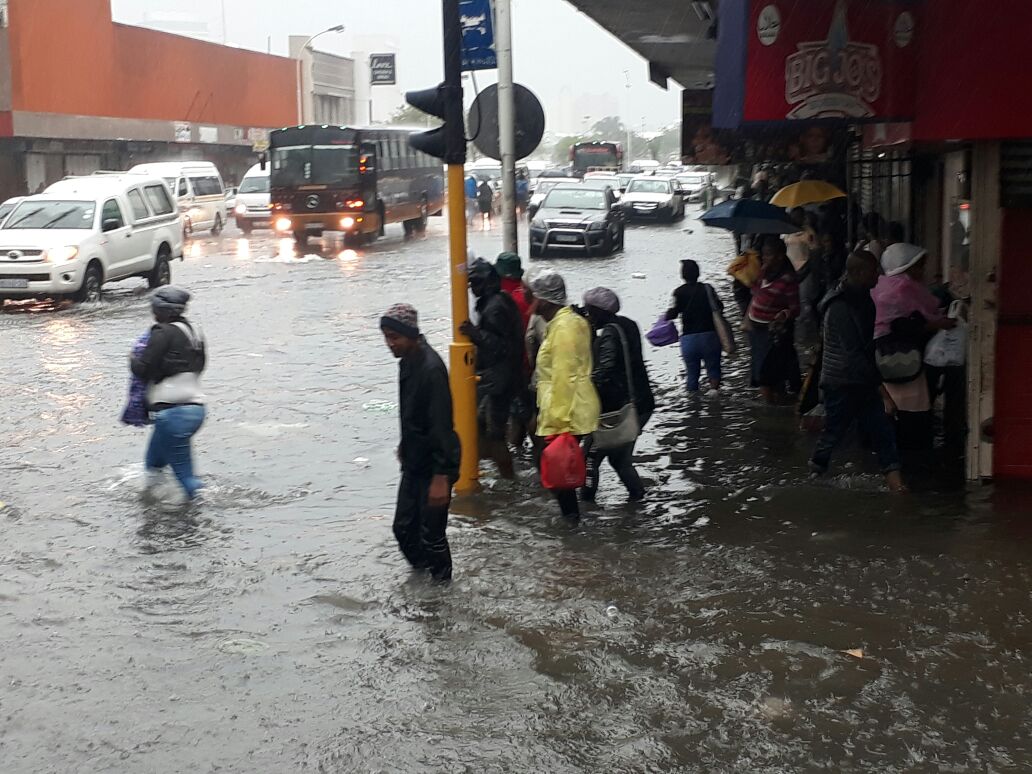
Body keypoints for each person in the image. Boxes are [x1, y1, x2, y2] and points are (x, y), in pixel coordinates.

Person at [809, 252, 905, 492]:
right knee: (834, 432)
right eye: (875, 271)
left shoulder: (863, 300)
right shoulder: (839, 306)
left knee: (881, 428)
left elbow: (865, 348)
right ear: (860, 273)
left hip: (861, 378)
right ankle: (815, 474)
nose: (879, 276)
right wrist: (883, 391)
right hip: (840, 380)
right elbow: (853, 353)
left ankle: (896, 483)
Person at [380, 303, 459, 582]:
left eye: (395, 337)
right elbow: (411, 412)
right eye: (386, 337)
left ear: (412, 335)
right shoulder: (407, 363)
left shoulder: (431, 369)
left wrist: (442, 477)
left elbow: (442, 425)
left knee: (432, 535)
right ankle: (422, 582)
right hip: (414, 462)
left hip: (435, 467)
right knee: (403, 529)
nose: (390, 344)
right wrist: (405, 444)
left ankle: (442, 592)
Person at [529, 270, 599, 520]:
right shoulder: (563, 323)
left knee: (556, 470)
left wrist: (558, 424)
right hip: (567, 408)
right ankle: (571, 518)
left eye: (534, 297)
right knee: (556, 468)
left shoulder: (565, 327)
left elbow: (564, 376)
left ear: (545, 301)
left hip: (567, 412)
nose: (531, 302)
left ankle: (571, 521)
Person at [871, 243, 955, 450]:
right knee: (910, 411)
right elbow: (907, 324)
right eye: (919, 266)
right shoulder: (904, 289)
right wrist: (939, 323)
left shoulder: (881, 286)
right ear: (906, 267)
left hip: (883, 357)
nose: (922, 271)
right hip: (905, 358)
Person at [130, 287, 207, 501]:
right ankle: (153, 504)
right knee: (153, 465)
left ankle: (202, 512)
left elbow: (143, 369)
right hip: (195, 410)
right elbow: (200, 367)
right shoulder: (192, 331)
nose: (153, 312)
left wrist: (132, 359)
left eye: (154, 308)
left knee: (186, 477)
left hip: (173, 416)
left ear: (161, 310)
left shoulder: (161, 332)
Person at [581, 287, 654, 503]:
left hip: (619, 409)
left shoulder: (610, 335)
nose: (587, 315)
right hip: (640, 404)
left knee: (589, 458)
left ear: (598, 311)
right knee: (620, 459)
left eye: (589, 310)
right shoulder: (628, 325)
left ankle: (585, 505)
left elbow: (606, 372)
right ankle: (637, 498)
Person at [459, 258, 524, 479]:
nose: (473, 289)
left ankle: (507, 478)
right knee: (479, 425)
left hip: (499, 380)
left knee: (494, 433)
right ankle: (482, 467)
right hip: (498, 378)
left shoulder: (495, 307)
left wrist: (475, 334)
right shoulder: (496, 301)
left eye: (476, 283)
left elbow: (501, 346)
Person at [745, 236, 802, 403]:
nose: (764, 258)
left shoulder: (788, 279)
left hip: (772, 332)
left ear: (780, 256)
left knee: (768, 374)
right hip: (756, 330)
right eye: (763, 254)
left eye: (768, 254)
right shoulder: (763, 271)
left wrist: (784, 314)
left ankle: (770, 409)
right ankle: (772, 406)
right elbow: (755, 292)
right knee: (762, 370)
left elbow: (795, 308)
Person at [666, 259, 724, 394]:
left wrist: (666, 316)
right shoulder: (708, 289)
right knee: (714, 370)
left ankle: (693, 406)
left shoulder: (678, 292)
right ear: (698, 273)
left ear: (682, 275)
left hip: (689, 339)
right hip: (710, 336)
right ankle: (714, 397)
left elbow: (672, 314)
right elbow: (719, 307)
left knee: (692, 375)